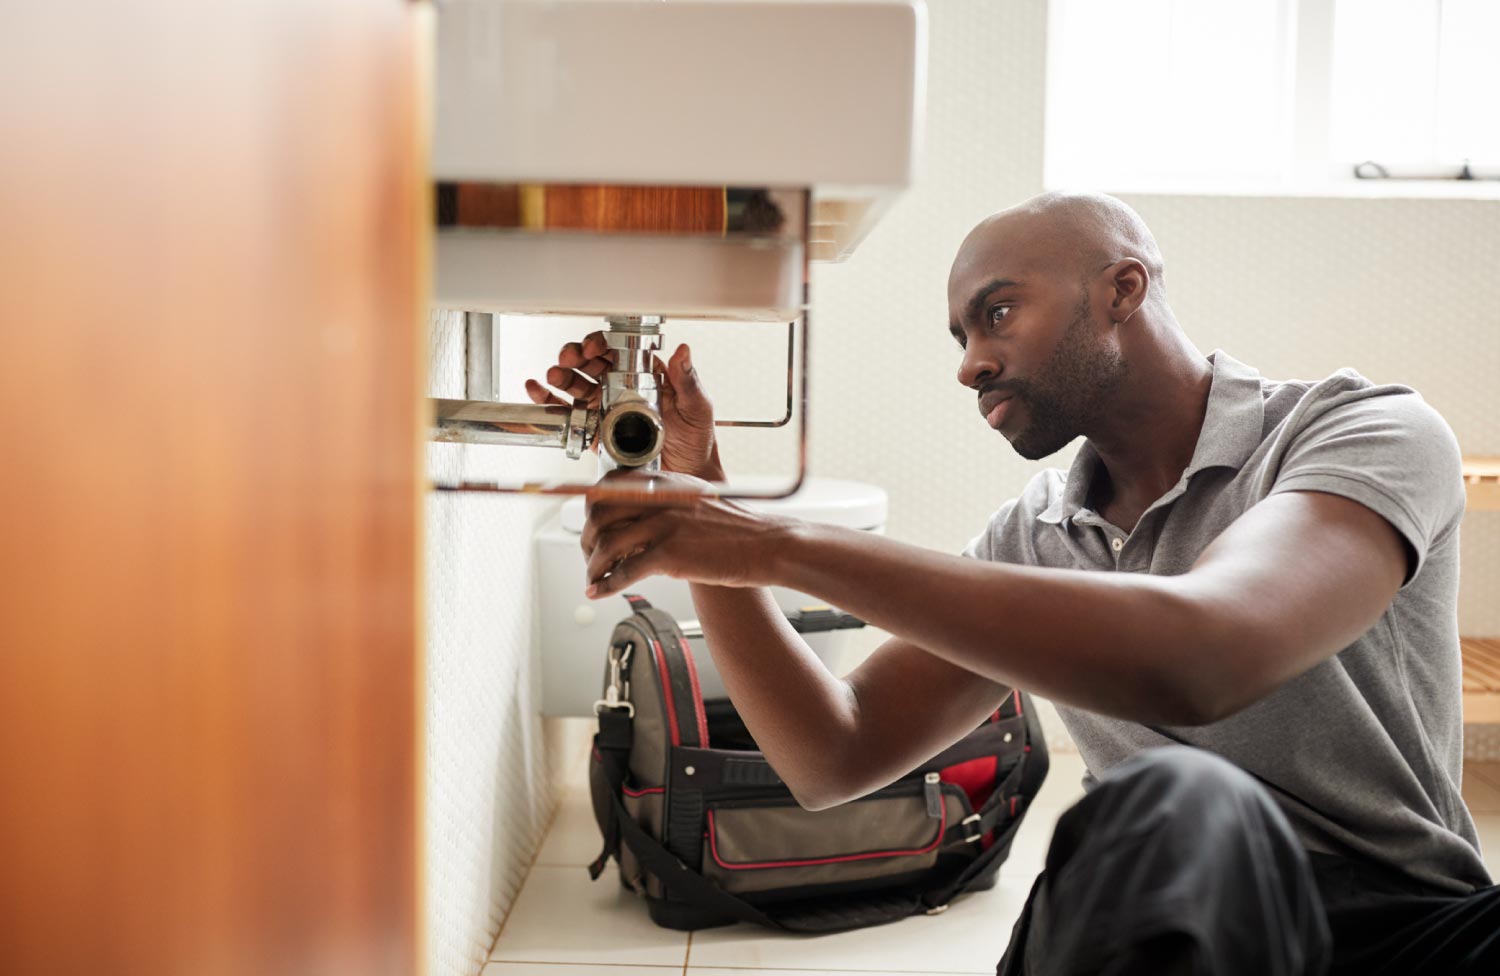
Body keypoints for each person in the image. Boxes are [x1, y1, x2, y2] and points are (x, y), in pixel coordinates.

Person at [525, 192, 1499, 974]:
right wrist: (710, 525)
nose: (971, 364)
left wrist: (767, 545)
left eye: (995, 313)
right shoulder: (1034, 533)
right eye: (958, 335)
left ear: (1122, 289)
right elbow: (834, 754)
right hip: (1185, 914)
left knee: (1180, 793)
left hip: (1413, 927)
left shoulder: (1360, 431)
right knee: (1173, 805)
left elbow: (1207, 653)